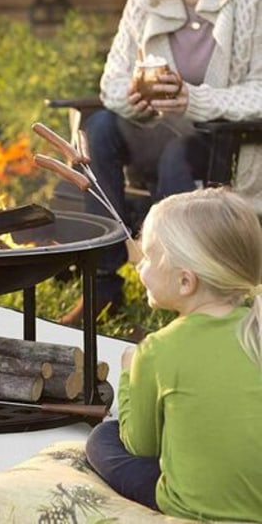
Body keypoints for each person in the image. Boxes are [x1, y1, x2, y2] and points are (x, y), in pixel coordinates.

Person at [60, 0, 262, 326]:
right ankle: (101, 279)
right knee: (97, 128)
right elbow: (113, 82)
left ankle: (179, 289)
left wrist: (194, 99)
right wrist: (136, 101)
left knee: (179, 149)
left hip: (223, 148)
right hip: (154, 136)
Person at [85, 187, 262, 520]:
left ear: (185, 282)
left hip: (196, 507)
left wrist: (129, 371)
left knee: (103, 439)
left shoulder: (158, 350)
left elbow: (141, 446)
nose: (140, 263)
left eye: (150, 256)